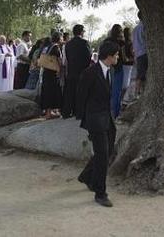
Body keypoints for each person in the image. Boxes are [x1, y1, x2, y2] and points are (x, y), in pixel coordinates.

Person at [76, 40, 119, 208]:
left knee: (107, 152)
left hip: (107, 118)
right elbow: (81, 97)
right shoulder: (90, 73)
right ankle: (100, 193)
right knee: (102, 155)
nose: (118, 57)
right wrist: (86, 121)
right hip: (95, 119)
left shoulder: (111, 70)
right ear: (109, 56)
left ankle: (87, 176)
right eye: (116, 54)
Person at [61, 25, 91, 118]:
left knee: (70, 92)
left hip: (71, 70)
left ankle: (66, 112)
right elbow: (88, 56)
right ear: (81, 32)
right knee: (80, 92)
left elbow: (67, 57)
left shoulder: (68, 44)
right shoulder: (84, 42)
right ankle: (79, 112)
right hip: (81, 70)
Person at [105, 24, 126, 119]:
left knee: (109, 90)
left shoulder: (106, 41)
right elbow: (124, 56)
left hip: (107, 68)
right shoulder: (120, 42)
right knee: (116, 92)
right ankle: (115, 114)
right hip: (118, 68)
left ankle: (108, 112)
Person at [40, 32, 63, 119]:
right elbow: (59, 60)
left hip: (45, 71)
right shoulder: (56, 47)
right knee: (53, 92)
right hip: (53, 72)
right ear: (58, 38)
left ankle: (48, 112)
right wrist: (60, 69)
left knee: (46, 92)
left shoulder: (46, 46)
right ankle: (50, 113)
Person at [132, 11, 147, 95]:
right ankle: (136, 92)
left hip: (138, 54)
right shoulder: (144, 27)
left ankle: (140, 92)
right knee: (141, 75)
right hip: (144, 52)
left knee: (141, 74)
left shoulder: (135, 29)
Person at [121, 27, 135, 96]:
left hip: (123, 65)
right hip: (129, 65)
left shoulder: (122, 43)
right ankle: (124, 100)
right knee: (127, 84)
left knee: (124, 83)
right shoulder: (131, 43)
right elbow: (133, 54)